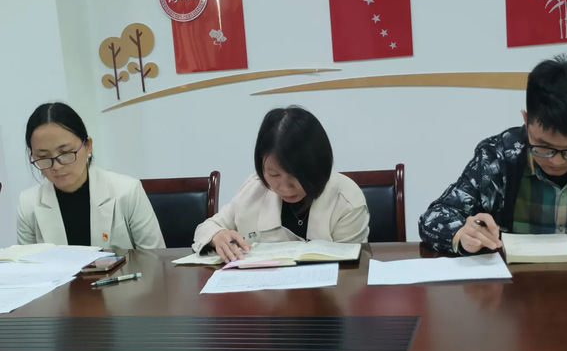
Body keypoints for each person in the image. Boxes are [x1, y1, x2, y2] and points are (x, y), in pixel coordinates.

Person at [419, 54, 567, 254]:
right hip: (513, 273)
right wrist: (462, 234)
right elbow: (434, 218)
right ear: (526, 120)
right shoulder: (498, 156)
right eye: (544, 146)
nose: (557, 161)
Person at [192, 106, 369, 262]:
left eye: (296, 175)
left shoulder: (345, 199)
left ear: (318, 165)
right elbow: (207, 228)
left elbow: (351, 269)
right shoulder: (253, 189)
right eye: (273, 174)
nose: (284, 187)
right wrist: (217, 236)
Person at [17, 102, 165, 250]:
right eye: (43, 156)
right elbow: (25, 262)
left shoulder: (128, 192)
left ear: (88, 146)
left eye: (65, 152)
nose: (56, 166)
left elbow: (155, 258)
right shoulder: (28, 203)